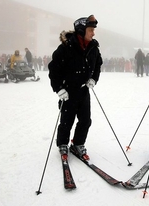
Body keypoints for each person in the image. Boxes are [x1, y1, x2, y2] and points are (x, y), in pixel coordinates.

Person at [48, 15, 102, 160]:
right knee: (67, 120)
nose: (93, 33)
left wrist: (93, 79)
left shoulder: (93, 48)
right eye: (90, 30)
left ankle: (78, 144)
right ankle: (63, 144)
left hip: (84, 90)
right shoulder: (66, 48)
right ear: (81, 30)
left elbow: (98, 65)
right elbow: (54, 69)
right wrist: (59, 88)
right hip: (68, 91)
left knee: (85, 120)